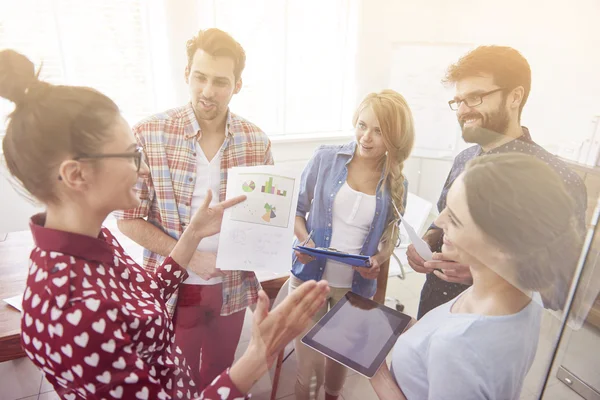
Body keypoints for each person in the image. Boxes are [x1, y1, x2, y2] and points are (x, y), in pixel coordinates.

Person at [0, 49, 329, 400]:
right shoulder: (70, 309)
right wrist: (257, 357)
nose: (143, 170)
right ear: (76, 174)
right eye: (131, 155)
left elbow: (141, 302)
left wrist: (192, 235)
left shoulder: (92, 246)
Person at [114, 28, 273, 390]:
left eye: (220, 81)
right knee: (175, 377)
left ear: (237, 85)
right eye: (199, 77)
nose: (207, 90)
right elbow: (129, 220)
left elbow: (264, 217)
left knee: (221, 371)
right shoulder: (148, 133)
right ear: (187, 74)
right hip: (174, 286)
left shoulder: (256, 141)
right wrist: (188, 257)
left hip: (231, 286)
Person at [371, 153, 583, 400]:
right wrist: (406, 326)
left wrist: (375, 370)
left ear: (502, 245)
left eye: (456, 220)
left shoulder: (458, 347)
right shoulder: (522, 292)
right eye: (446, 208)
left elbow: (461, 347)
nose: (439, 221)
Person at [406, 45, 587, 318]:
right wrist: (428, 240)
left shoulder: (557, 179)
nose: (463, 110)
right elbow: (444, 221)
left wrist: (479, 273)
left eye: (476, 97)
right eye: (459, 101)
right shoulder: (463, 159)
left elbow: (562, 289)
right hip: (432, 312)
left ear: (515, 96)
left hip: (485, 334)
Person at [290, 90, 415, 400]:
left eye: (378, 131)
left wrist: (380, 257)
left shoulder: (397, 181)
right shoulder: (326, 158)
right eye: (362, 125)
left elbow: (390, 236)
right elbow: (296, 210)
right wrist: (304, 239)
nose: (366, 137)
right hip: (310, 277)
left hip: (356, 289)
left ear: (395, 139)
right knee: (305, 368)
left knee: (337, 369)